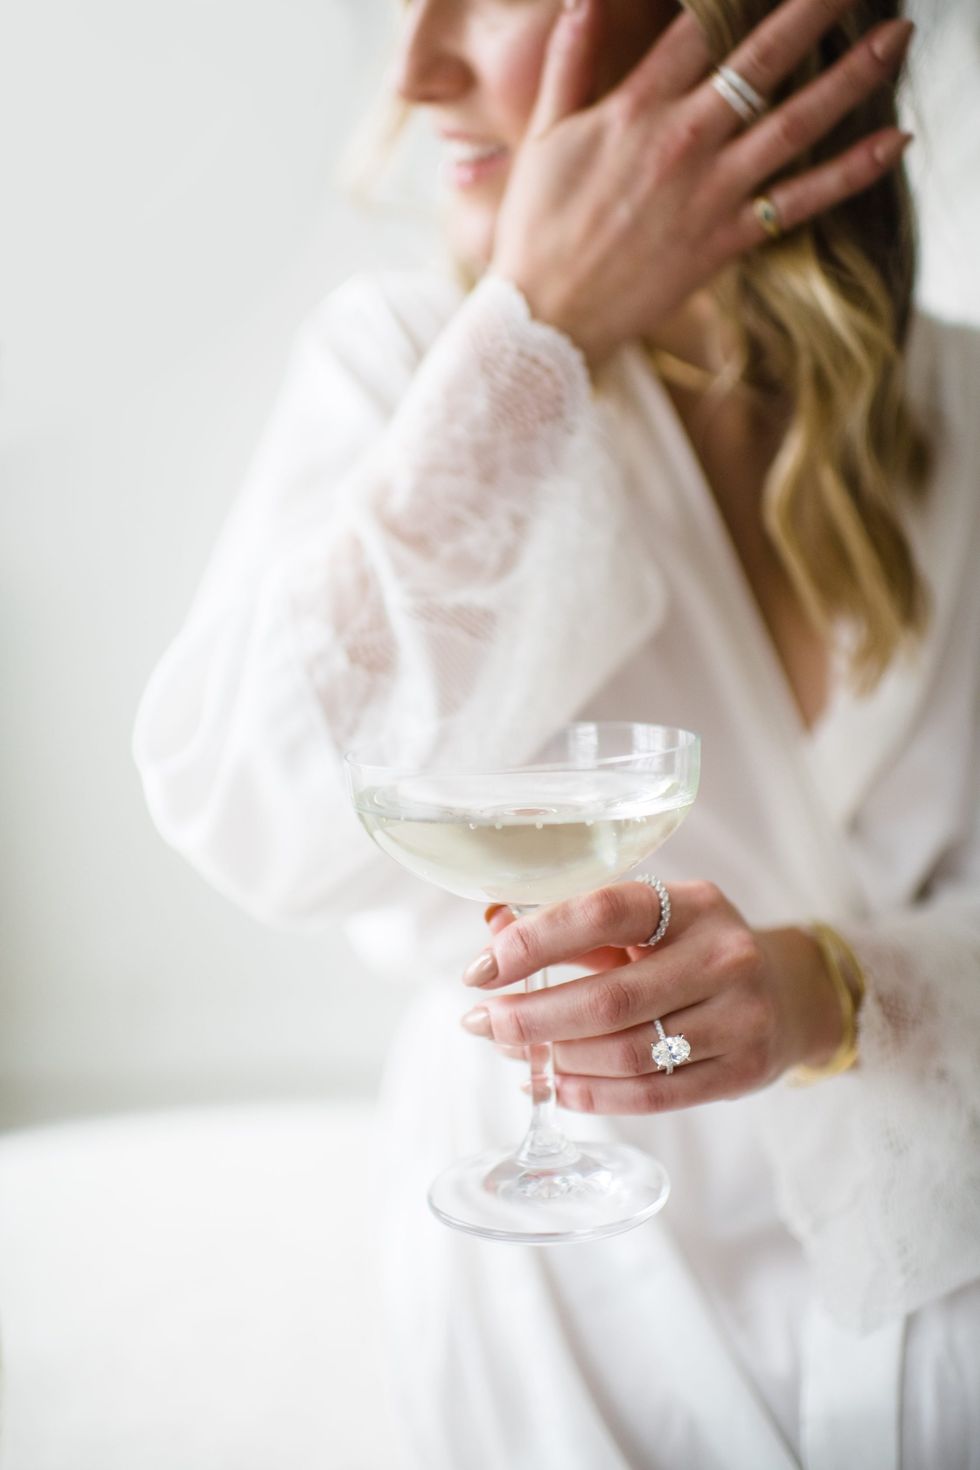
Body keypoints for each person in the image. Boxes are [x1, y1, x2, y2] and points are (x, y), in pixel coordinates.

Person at [133, 0, 980, 1464]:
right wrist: (540, 331)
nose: (416, 74)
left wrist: (830, 993)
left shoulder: (965, 414)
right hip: (570, 1277)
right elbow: (252, 812)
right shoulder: (411, 369)